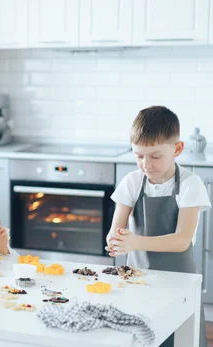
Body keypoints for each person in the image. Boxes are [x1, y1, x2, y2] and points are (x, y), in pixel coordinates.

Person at [106, 106, 211, 347]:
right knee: (141, 338)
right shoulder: (132, 182)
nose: (145, 164)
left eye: (155, 156)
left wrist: (135, 242)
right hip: (138, 281)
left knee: (180, 339)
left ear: (177, 149)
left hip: (179, 283)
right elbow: (117, 229)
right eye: (138, 156)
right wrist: (115, 241)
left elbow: (181, 240)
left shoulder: (190, 184)